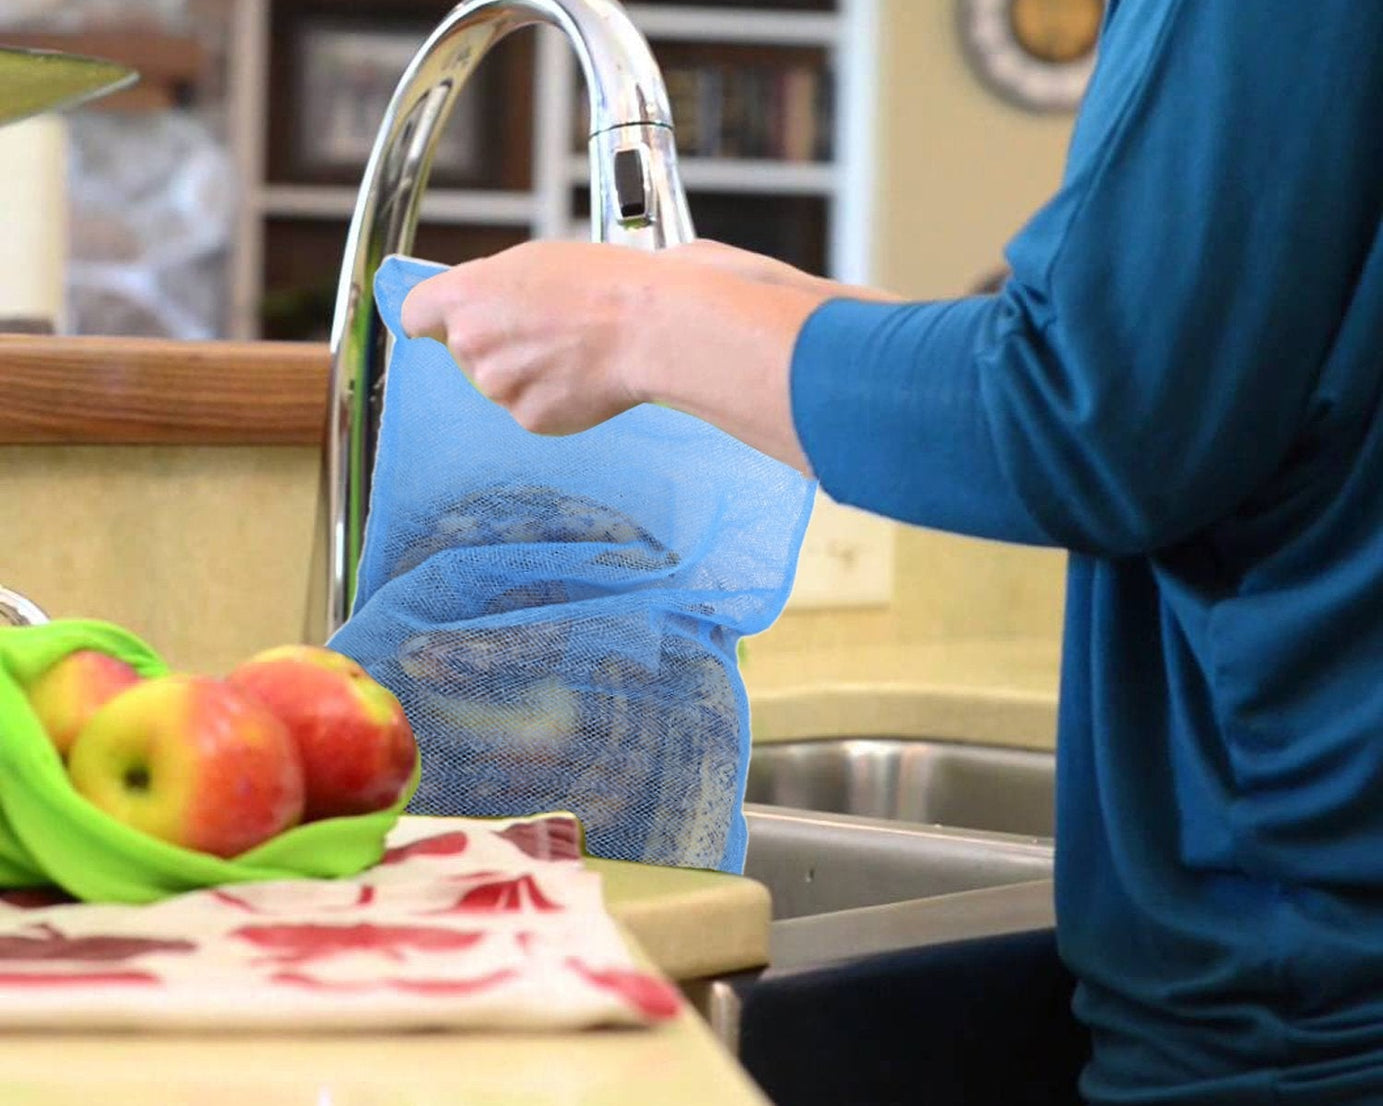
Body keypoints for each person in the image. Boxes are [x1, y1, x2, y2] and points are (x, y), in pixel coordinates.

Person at [399, 2, 1383, 1102]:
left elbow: (1095, 418)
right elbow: (1200, 378)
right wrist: (778, 315)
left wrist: (637, 322)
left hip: (1304, 997)